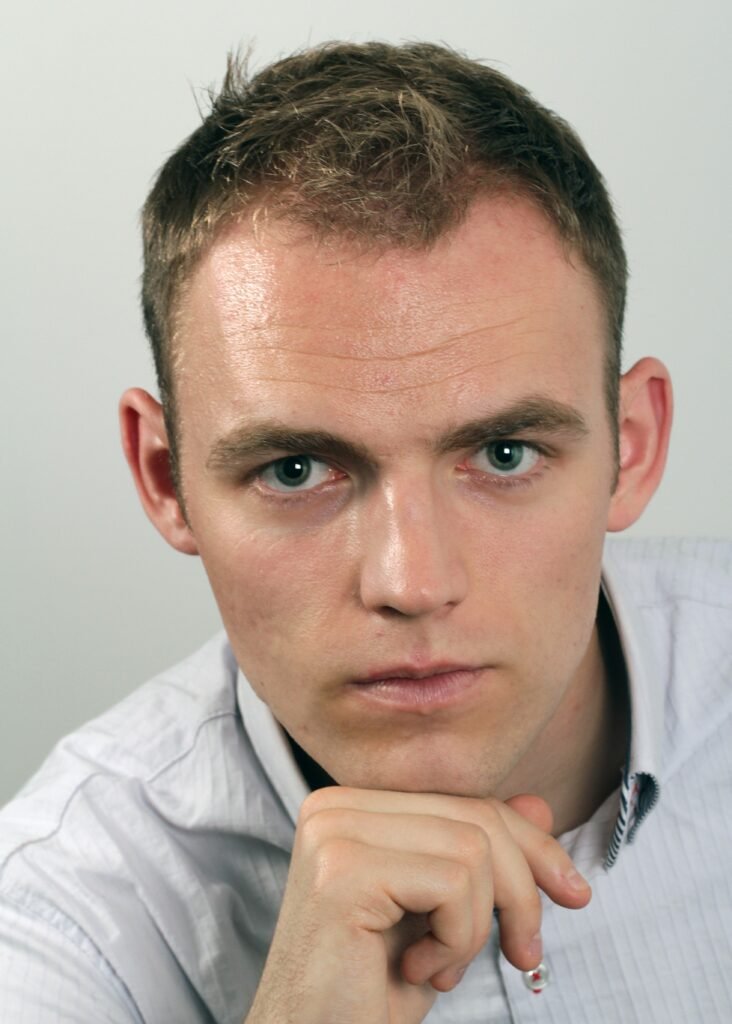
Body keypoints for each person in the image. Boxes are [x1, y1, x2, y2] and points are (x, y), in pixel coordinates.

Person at [1, 40, 731, 1024]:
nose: (411, 580)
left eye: (506, 454)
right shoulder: (59, 919)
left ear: (632, 449)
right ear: (164, 478)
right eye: (296, 470)